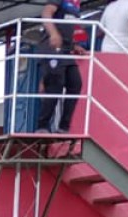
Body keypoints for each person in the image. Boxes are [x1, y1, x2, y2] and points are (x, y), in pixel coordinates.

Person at [37, 1, 87, 134]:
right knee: (55, 86)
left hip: (66, 50)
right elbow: (46, 12)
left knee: (75, 84)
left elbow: (70, 28)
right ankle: (42, 126)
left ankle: (64, 127)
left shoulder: (76, 5)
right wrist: (53, 34)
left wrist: (75, 44)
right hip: (52, 48)